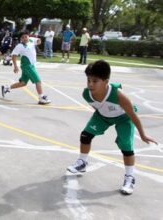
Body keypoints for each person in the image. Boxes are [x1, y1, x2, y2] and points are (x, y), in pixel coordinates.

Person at [66, 60, 157, 195]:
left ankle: (129, 178)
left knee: (126, 146)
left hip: (124, 118)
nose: (90, 84)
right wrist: (100, 120)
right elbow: (100, 107)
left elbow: (133, 115)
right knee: (86, 135)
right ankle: (82, 162)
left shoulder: (119, 95)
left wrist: (143, 135)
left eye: (95, 81)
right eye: (88, 80)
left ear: (106, 81)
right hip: (103, 116)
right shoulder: (86, 94)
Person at [1, 31, 51, 105]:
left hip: (31, 65)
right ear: (20, 39)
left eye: (26, 36)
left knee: (23, 83)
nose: (24, 38)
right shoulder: (19, 46)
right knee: (38, 81)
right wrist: (15, 66)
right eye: (22, 37)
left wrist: (39, 41)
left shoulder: (31, 40)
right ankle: (41, 98)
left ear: (28, 36)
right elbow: (14, 55)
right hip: (27, 66)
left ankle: (6, 88)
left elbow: (38, 41)